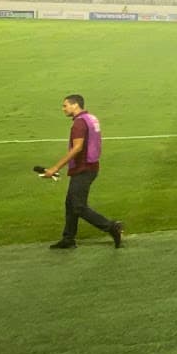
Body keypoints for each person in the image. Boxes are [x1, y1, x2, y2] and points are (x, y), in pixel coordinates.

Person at [41, 96, 123, 250]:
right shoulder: (90, 118)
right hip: (90, 166)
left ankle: (111, 227)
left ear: (75, 105)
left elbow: (77, 148)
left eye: (65, 105)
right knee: (70, 204)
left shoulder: (79, 124)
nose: (63, 109)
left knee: (78, 206)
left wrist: (55, 168)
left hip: (83, 169)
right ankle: (68, 238)